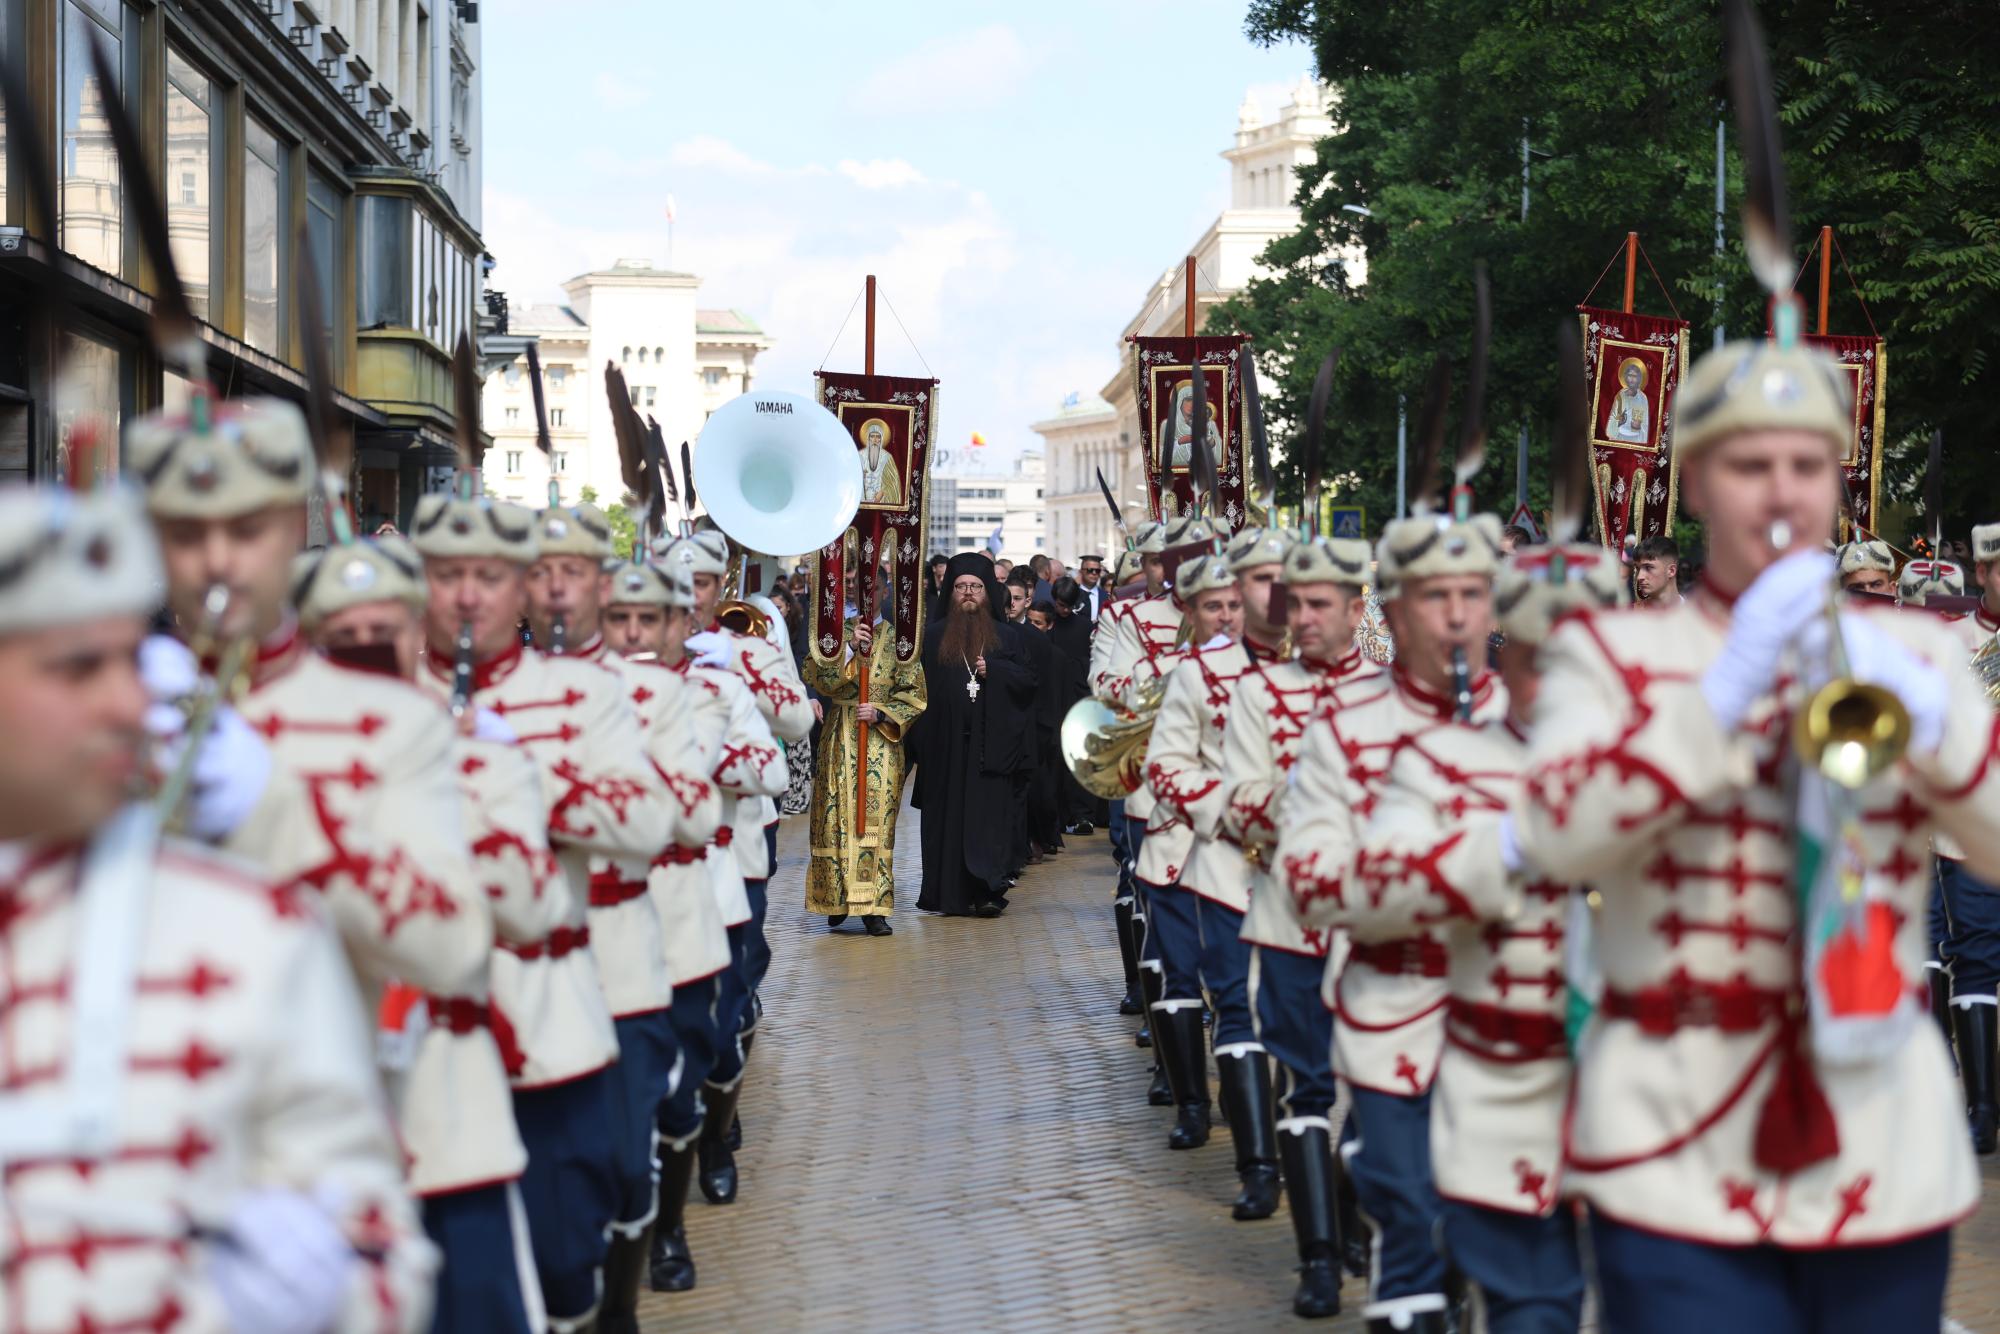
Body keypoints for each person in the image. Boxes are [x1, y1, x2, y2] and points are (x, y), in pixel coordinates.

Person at [1511, 337, 2000, 1331]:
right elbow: (1548, 837)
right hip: (1672, 1130)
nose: (1782, 491)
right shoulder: (1608, 652)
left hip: (1874, 1127)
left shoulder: (1917, 650)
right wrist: (1723, 690)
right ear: (1693, 481)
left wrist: (1944, 732)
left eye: (1807, 464)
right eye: (1749, 464)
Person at [0, 482, 436, 1333]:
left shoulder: (254, 931)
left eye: (131, 662)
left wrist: (323, 1294)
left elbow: (385, 1253)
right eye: (78, 668)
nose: (129, 705)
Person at [412, 492, 678, 1331]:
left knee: (567, 1253)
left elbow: (648, 820)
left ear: (520, 587)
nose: (466, 597)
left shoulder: (585, 692)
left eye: (489, 576)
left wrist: (522, 780)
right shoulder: (385, 694)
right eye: (446, 575)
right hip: (419, 1029)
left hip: (547, 1006)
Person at [1350, 540, 1625, 1332]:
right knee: (1533, 1312)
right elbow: (1374, 890)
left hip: (1647, 1101)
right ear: (1512, 656)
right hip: (1510, 1095)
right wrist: (1503, 845)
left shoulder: (1678, 756)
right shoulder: (1440, 761)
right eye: (1546, 662)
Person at [295, 535, 563, 1333]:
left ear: (419, 633)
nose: (367, 651)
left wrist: (461, 780)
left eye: (384, 631)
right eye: (344, 636)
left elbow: (533, 907)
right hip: (318, 1109)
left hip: (446, 1095)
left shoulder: (479, 751)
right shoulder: (265, 753)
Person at [1277, 508, 1508, 1334]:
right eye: (1433, 596)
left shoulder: (1535, 720)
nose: (1455, 616)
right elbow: (1308, 878)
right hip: (1395, 1010)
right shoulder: (1345, 728)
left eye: (1471, 594)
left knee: (1493, 1235)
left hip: (1514, 1018)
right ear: (1396, 611)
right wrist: (1457, 876)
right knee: (1411, 1219)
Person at [1223, 534, 1383, 1317]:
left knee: (1375, 1084)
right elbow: (1237, 802)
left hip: (1376, 920)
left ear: (1357, 610)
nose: (1307, 617)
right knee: (1308, 1084)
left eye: (1324, 603)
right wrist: (1307, 789)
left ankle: (1351, 1201)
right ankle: (1316, 1256)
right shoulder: (1258, 694)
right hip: (1290, 917)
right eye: (1299, 603)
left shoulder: (1391, 694)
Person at [1149, 528, 1292, 1217]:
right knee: (1236, 1002)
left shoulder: (1335, 668)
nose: (1271, 595)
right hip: (1229, 862)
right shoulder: (1196, 674)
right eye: (1256, 582)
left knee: (1303, 1015)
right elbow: (1166, 767)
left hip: (1314, 873)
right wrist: (1242, 812)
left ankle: (1304, 1148)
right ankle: (1257, 1164)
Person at [653, 527, 794, 1212]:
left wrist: (737, 668)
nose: (690, 597)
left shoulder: (750, 647)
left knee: (731, 999)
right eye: (678, 584)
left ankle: (716, 1130)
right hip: (656, 860)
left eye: (702, 584)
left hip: (733, 847)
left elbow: (794, 721)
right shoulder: (634, 657)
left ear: (720, 587)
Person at [801, 547, 927, 936]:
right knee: (834, 818)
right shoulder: (833, 634)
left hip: (880, 744)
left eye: (873, 588)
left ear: (885, 592)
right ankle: (836, 899)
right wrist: (850, 651)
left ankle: (873, 907)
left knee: (876, 822)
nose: (864, 593)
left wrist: (884, 713)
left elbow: (915, 693)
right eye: (857, 586)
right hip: (840, 734)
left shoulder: (901, 640)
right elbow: (819, 679)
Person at [911, 552, 1038, 916]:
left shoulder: (1007, 638)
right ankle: (948, 893)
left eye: (976, 587)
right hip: (945, 748)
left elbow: (1029, 683)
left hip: (990, 748)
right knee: (947, 822)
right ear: (950, 592)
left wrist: (995, 672)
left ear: (988, 593)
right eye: (961, 586)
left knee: (988, 822)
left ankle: (988, 891)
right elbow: (915, 692)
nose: (968, 592)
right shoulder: (932, 637)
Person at [1605, 356, 1650, 443]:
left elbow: (1645, 423)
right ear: (1625, 377)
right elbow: (1612, 418)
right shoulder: (1620, 396)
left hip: (1636, 438)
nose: (1632, 379)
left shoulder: (1643, 398)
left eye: (1635, 376)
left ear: (1639, 379)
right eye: (1630, 375)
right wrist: (1619, 422)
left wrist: (1638, 426)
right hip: (1619, 436)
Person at [1631, 534, 1683, 607]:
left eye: (1648, 568)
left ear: (1671, 571)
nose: (1639, 577)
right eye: (1638, 568)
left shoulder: (1695, 612)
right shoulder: (1628, 612)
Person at [1076, 552, 1109, 622]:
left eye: (1097, 571)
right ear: (1081, 571)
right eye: (1090, 570)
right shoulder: (1073, 593)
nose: (1094, 573)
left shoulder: (1106, 596)